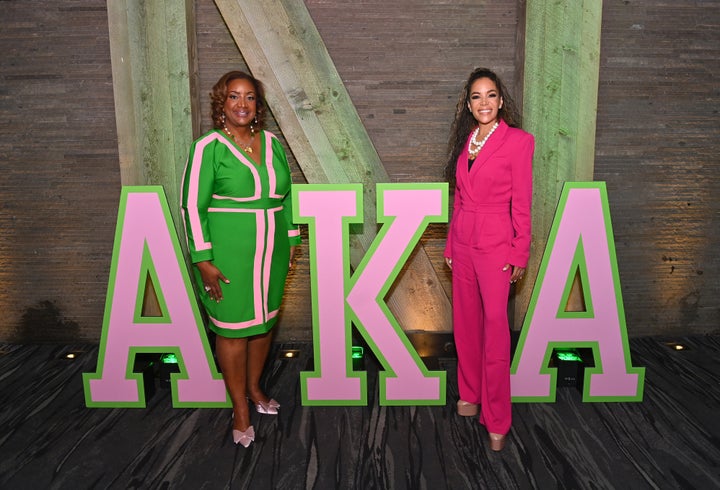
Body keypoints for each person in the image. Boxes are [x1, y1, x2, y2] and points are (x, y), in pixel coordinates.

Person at [181, 70, 301, 447]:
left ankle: (254, 389)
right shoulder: (208, 147)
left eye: (250, 97)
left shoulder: (273, 143)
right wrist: (203, 259)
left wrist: (293, 236)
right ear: (222, 103)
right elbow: (190, 206)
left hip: (273, 250)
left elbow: (286, 195)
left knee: (263, 325)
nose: (242, 104)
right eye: (234, 97)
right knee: (233, 330)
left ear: (258, 105)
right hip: (228, 255)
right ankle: (240, 408)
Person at [443, 67, 534, 451]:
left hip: (497, 245)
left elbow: (523, 203)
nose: (485, 103)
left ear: (501, 100)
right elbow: (460, 198)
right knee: (464, 324)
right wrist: (450, 243)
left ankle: (497, 417)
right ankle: (470, 391)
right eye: (477, 96)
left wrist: (519, 251)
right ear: (468, 104)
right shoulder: (468, 141)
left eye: (491, 95)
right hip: (462, 243)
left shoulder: (518, 141)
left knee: (495, 332)